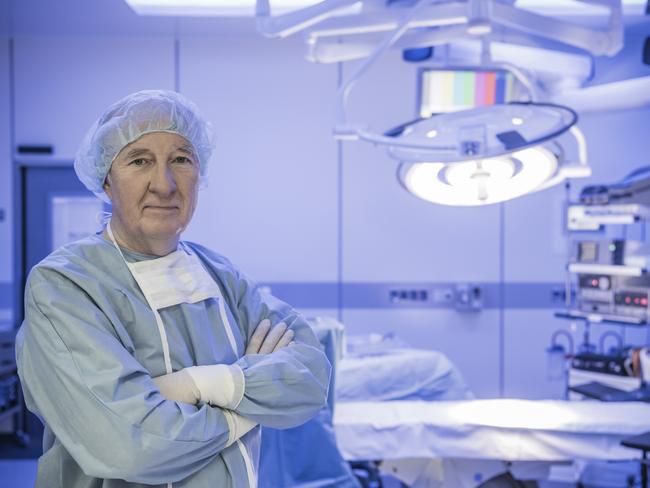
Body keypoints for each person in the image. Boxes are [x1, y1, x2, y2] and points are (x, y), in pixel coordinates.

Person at [15, 90, 331, 488]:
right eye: (139, 160)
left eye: (181, 160)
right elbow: (131, 447)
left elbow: (311, 378)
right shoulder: (66, 284)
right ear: (107, 180)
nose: (163, 185)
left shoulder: (219, 274)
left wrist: (196, 387)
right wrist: (252, 401)